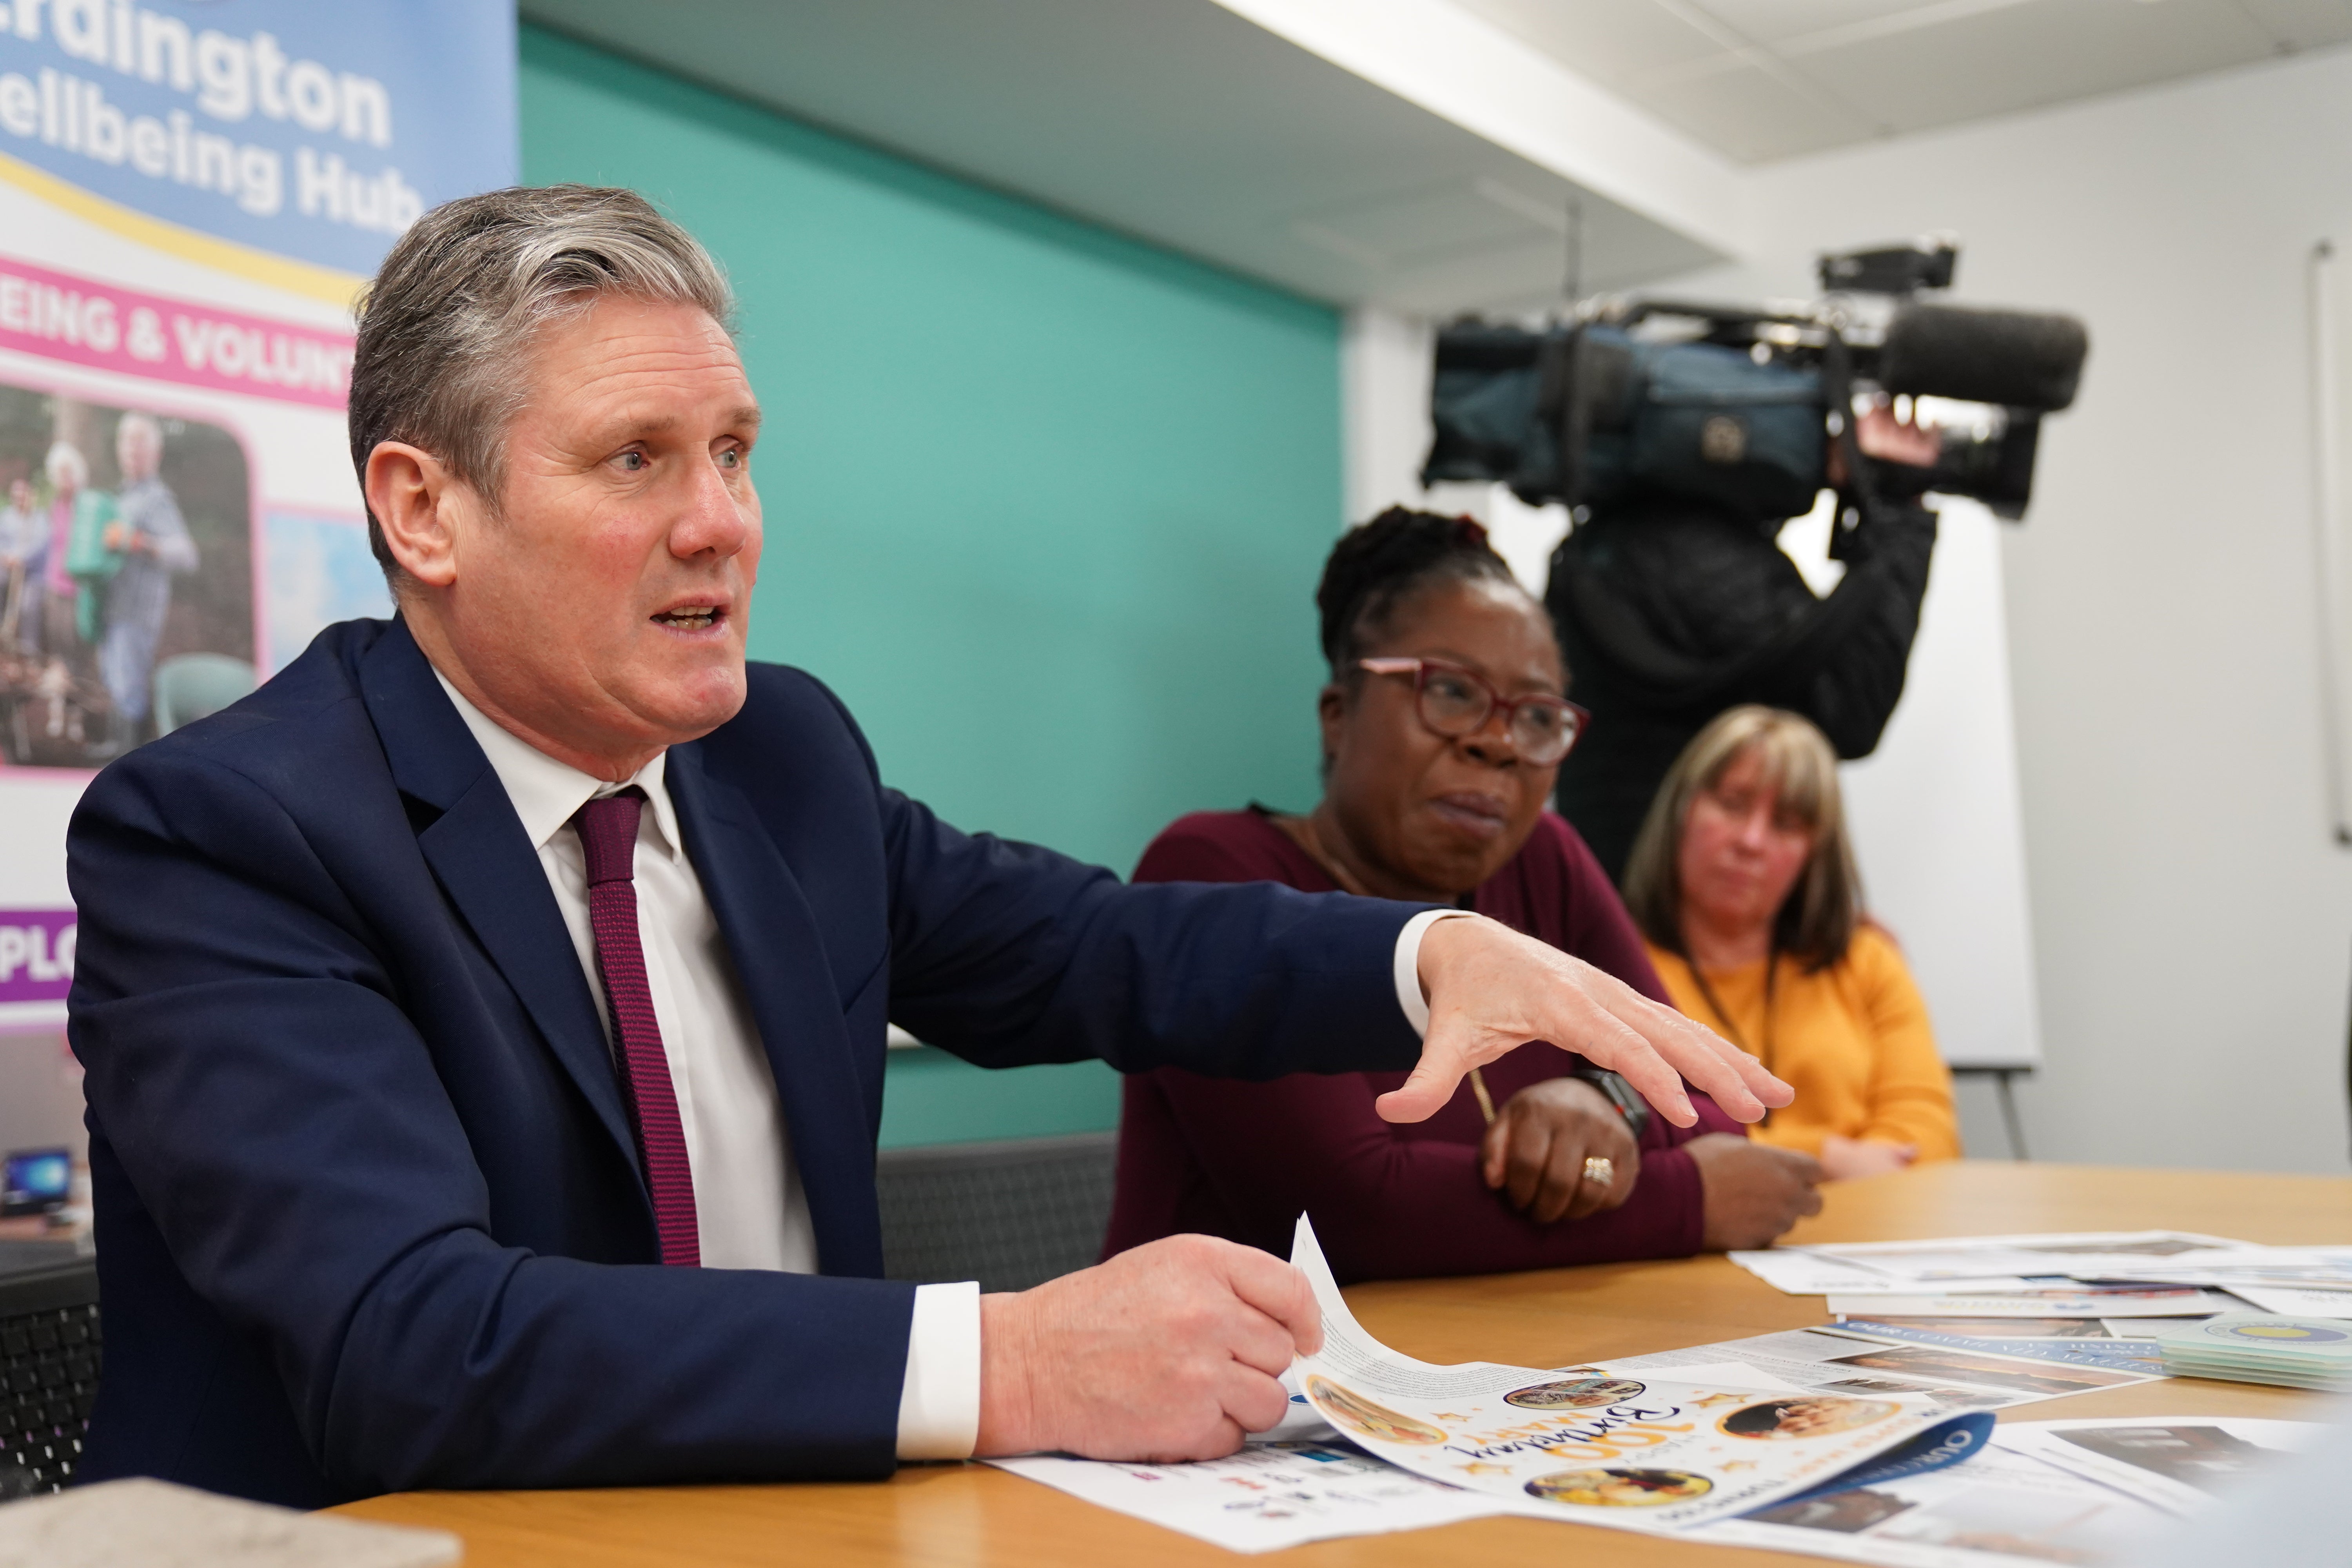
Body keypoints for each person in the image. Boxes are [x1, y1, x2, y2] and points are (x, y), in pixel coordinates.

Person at [65, 185, 1789, 1509]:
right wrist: (1019, 1353)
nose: (717, 520)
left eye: (734, 452)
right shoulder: (227, 830)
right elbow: (410, 1344)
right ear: (421, 508)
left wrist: (1423, 956)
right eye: (636, 459)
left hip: (804, 1520)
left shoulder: (775, 753)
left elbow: (1102, 947)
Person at [1102, 510, 1824, 1282]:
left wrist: (1607, 1106)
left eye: (1538, 716)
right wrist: (1688, 1198)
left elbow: (1705, 1101)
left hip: (1498, 1367)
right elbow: (1354, 1216)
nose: (1497, 742)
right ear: (1337, 718)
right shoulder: (1216, 875)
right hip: (1244, 1385)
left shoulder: (1544, 864)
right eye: (1449, 690)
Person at [1545, 414, 1944, 882]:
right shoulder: (1696, 553)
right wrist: (1900, 506)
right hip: (1672, 911)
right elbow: (1854, 707)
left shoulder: (1606, 540)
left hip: (1624, 889)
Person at [1621, 705, 1959, 1181]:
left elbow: (1928, 1135)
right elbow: (1638, 1139)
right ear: (1682, 810)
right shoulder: (1614, 961)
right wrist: (1826, 1158)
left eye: (1786, 824)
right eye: (1733, 804)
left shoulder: (1867, 960)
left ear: (1814, 854)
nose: (1752, 841)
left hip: (1866, 1228)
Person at [96, 413, 198, 751]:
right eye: (127, 442)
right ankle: (114, 749)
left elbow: (186, 555)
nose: (132, 450)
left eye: (141, 443)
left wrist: (139, 542)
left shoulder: (158, 499)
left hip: (138, 612)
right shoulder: (121, 498)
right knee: (114, 679)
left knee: (130, 685)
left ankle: (127, 756)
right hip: (113, 607)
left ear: (157, 453)